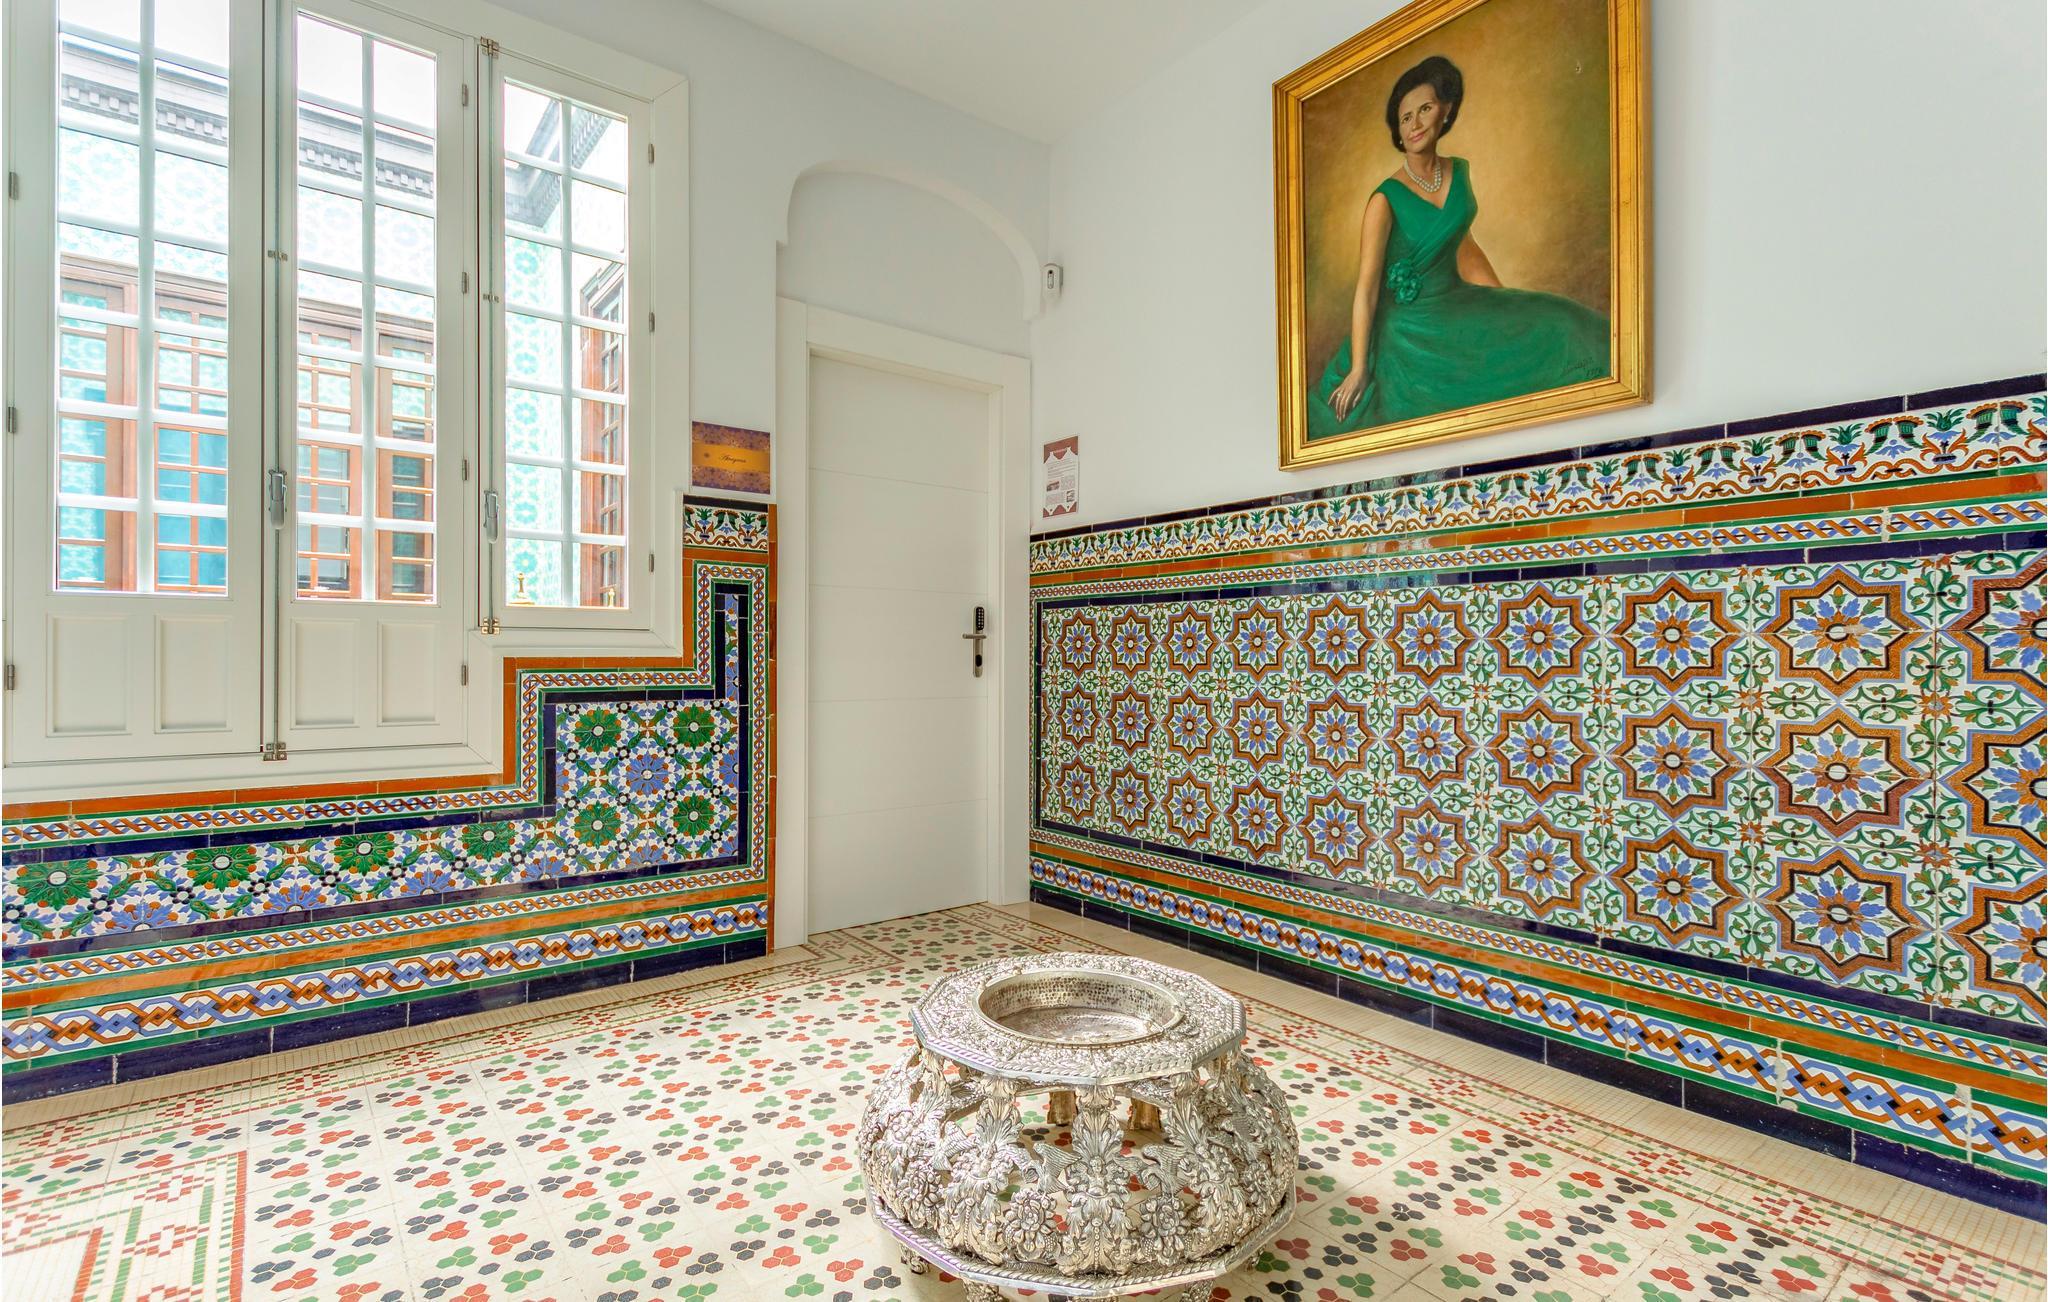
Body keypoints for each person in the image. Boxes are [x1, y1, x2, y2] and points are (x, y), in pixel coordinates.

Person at [1311, 55, 1609, 437]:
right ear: (1398, 131)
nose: (1415, 124)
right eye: (1405, 118)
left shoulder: (1458, 173)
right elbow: (1366, 289)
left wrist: (1507, 306)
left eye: (1425, 109)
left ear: (1446, 110)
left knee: (1561, 320)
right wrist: (1358, 368)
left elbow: (1465, 248)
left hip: (1458, 306)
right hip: (1409, 331)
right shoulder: (1384, 200)